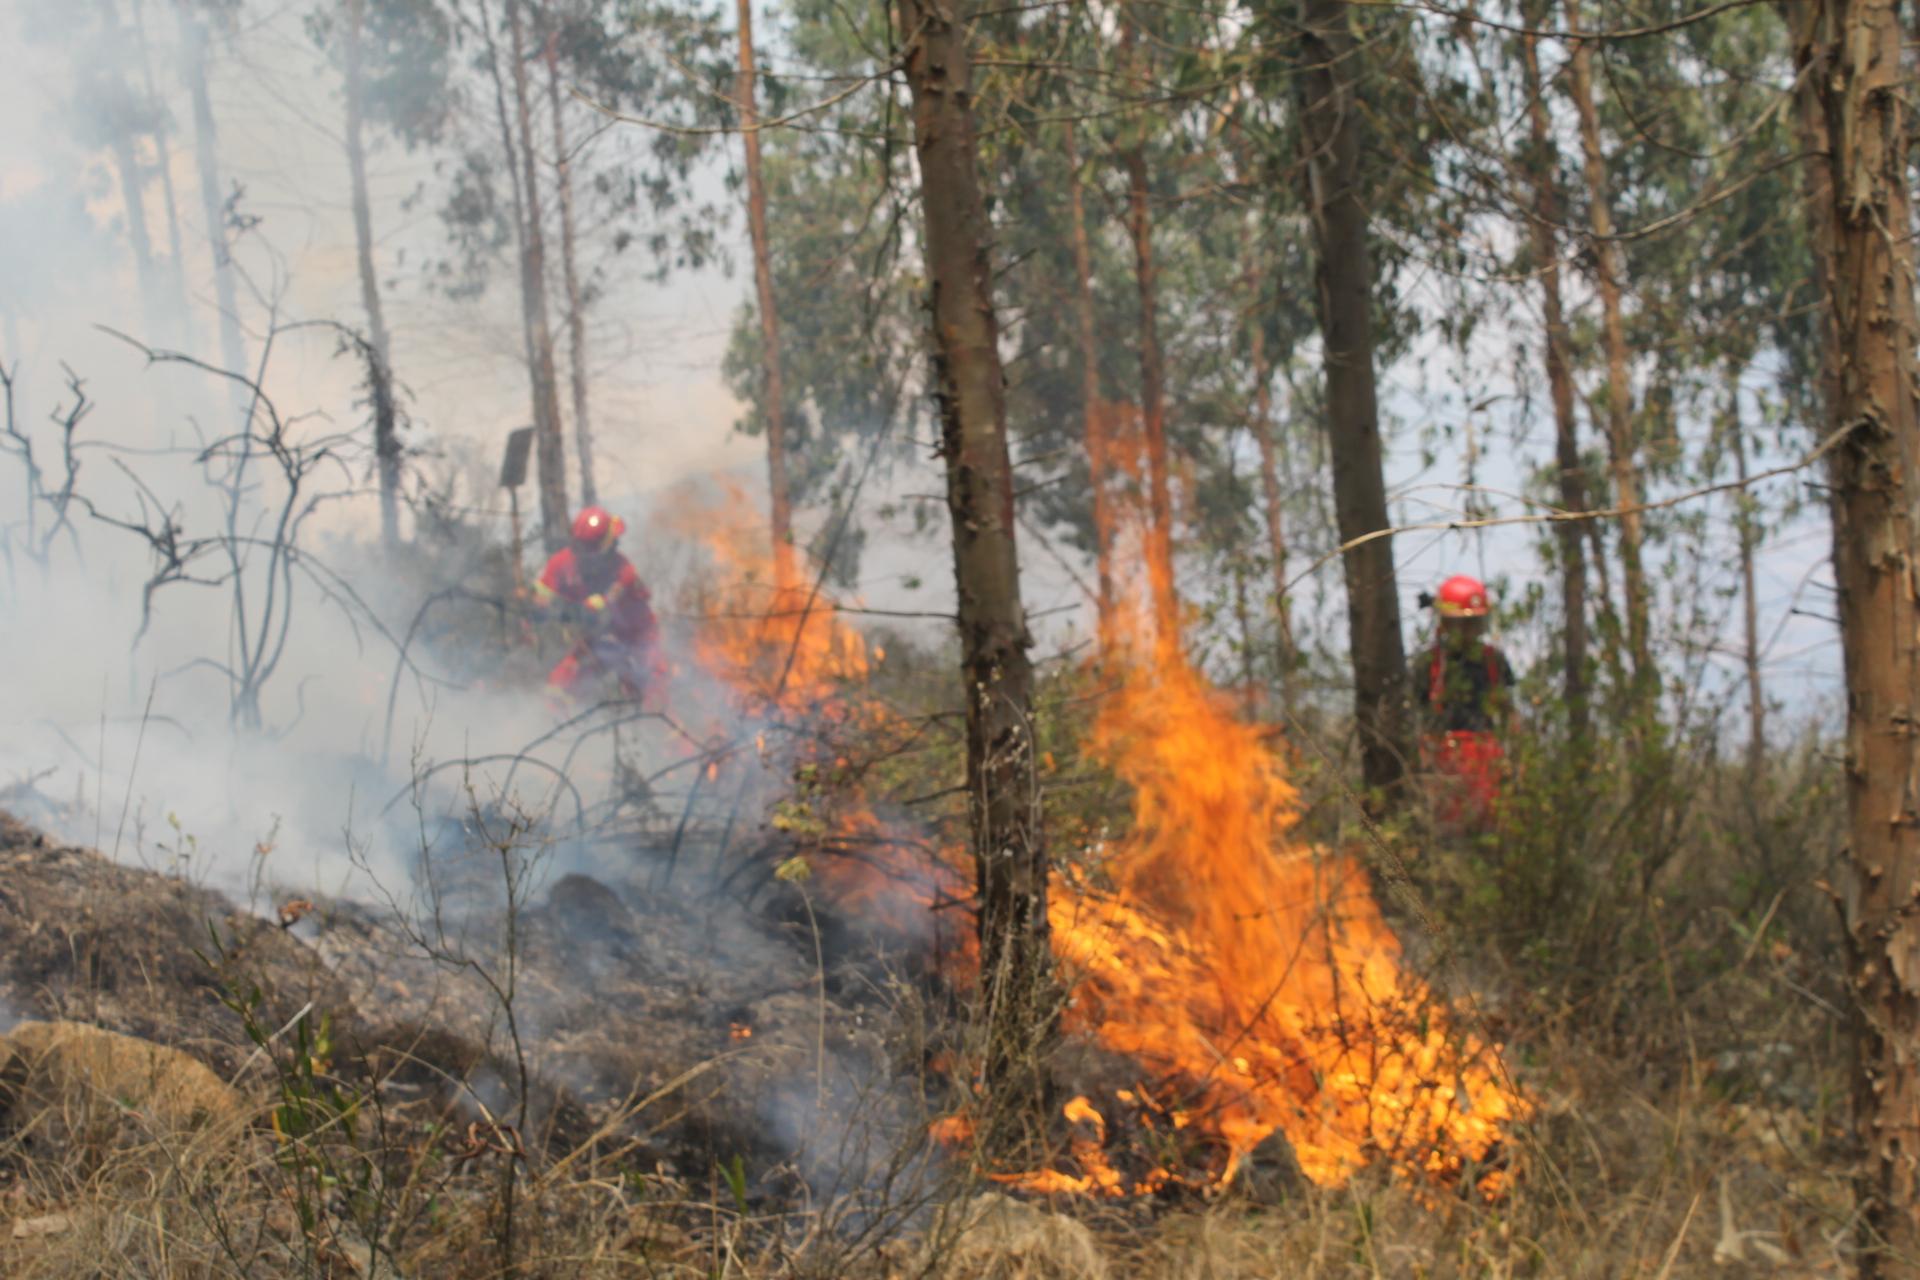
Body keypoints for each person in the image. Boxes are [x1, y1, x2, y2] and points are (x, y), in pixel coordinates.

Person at [1413, 574, 1515, 826]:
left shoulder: (1494, 661)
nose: (1471, 631)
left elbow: (1509, 712)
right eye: (1465, 624)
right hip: (1441, 765)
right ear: (1447, 623)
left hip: (1486, 765)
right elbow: (1411, 716)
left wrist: (1514, 760)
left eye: (1476, 623)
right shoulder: (1429, 664)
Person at [532, 506, 661, 702]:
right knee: (559, 686)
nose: (584, 554)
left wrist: (586, 610)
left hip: (635, 638)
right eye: (580, 546)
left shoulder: (623, 570)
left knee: (653, 685)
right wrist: (542, 608)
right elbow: (540, 599)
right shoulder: (561, 563)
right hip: (592, 641)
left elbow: (606, 605)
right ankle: (559, 723)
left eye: (589, 547)